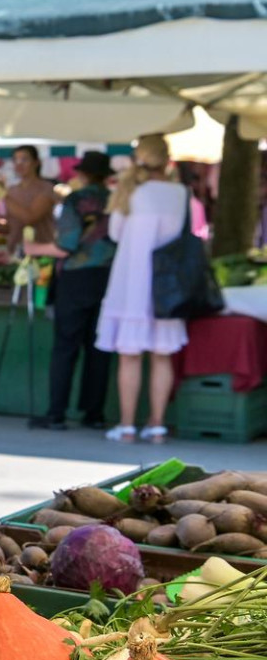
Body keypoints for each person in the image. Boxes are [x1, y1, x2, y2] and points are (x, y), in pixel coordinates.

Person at [98, 134, 191, 444]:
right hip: (168, 283)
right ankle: (157, 424)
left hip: (132, 280)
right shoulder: (180, 192)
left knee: (130, 356)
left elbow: (115, 233)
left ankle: (126, 426)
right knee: (162, 357)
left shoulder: (129, 190)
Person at [28, 150, 116, 431]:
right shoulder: (117, 200)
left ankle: (56, 413)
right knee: (99, 348)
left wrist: (31, 248)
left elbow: (65, 245)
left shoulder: (76, 200)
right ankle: (94, 413)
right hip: (109, 278)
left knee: (65, 347)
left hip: (76, 278)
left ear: (83, 173)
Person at [2, 144, 56, 252]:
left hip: (41, 251)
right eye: (15, 160)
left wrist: (3, 196)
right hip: (15, 250)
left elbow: (30, 218)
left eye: (24, 160)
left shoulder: (46, 188)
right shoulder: (12, 190)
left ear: (36, 162)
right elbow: (11, 226)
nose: (19, 164)